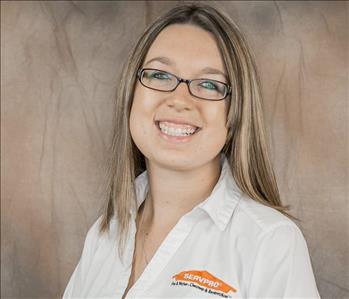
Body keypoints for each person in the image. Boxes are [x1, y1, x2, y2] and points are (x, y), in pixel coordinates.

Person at [63, 3, 320, 299]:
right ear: (131, 94)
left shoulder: (270, 242)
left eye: (209, 84)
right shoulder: (106, 233)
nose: (180, 99)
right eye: (160, 76)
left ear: (236, 114)